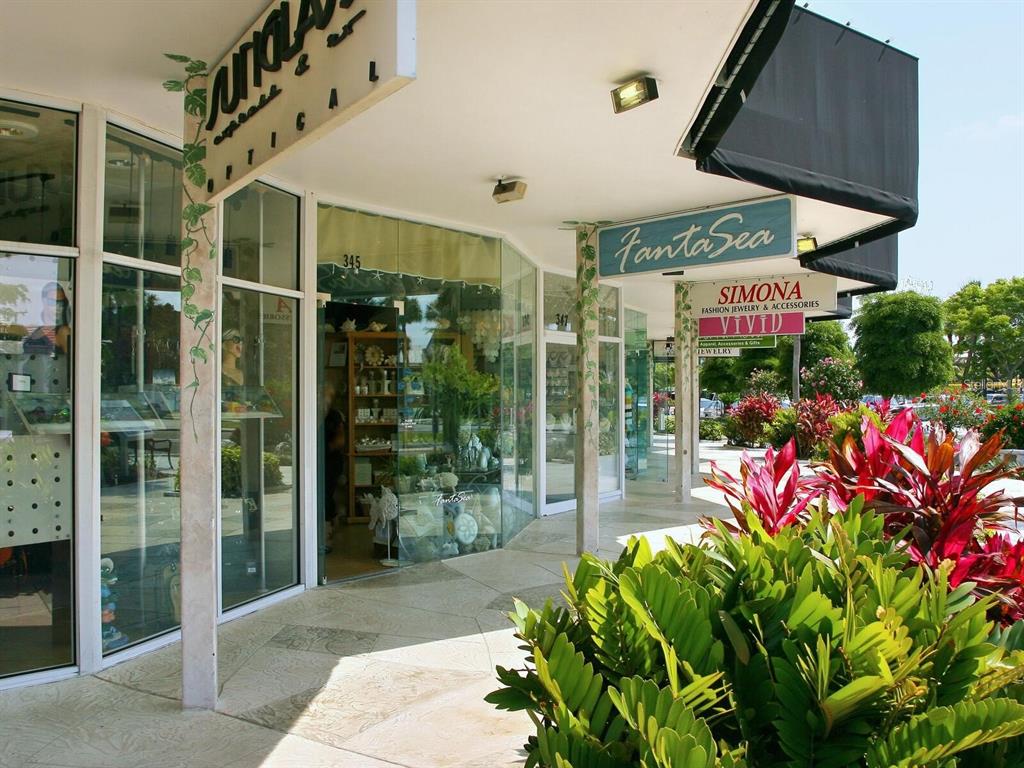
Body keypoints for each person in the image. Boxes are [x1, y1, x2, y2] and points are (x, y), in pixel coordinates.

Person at [322, 381, 346, 551]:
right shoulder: (314, 412)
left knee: (326, 494)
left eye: (326, 394)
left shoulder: (334, 415)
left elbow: (340, 439)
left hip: (331, 460)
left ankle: (327, 535)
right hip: (319, 459)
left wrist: (326, 448)